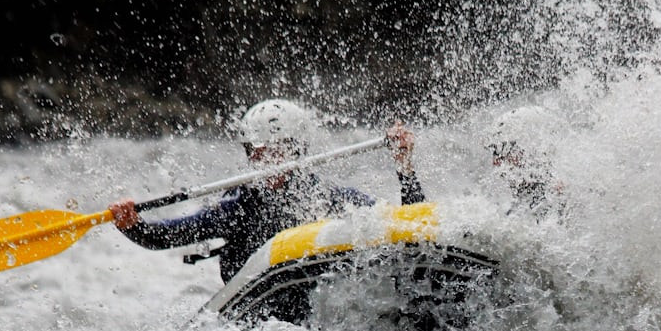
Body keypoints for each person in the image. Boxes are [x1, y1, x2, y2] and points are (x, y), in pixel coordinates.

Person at [108, 99, 425, 283]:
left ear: (298, 150)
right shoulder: (237, 208)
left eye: (275, 149)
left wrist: (405, 169)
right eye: (256, 152)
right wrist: (131, 224)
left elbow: (409, 225)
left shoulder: (329, 198)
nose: (264, 161)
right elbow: (162, 237)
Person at [484, 106, 567, 220]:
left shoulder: (563, 206)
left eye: (502, 152)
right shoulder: (520, 208)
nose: (496, 163)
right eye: (495, 153)